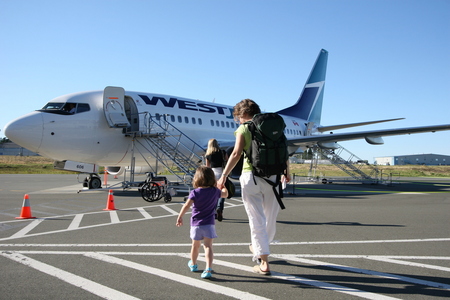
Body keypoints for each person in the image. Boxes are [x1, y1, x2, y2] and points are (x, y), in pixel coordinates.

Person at [217, 99, 290, 276]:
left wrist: (224, 176)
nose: (238, 121)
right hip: (273, 178)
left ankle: (263, 261)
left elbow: (236, 153)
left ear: (242, 114)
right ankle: (260, 247)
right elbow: (284, 150)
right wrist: (287, 171)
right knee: (270, 218)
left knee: (256, 219)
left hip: (251, 177)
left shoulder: (244, 128)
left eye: (237, 117)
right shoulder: (275, 127)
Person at [176, 166, 228, 279]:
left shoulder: (195, 192)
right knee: (208, 246)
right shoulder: (215, 191)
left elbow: (186, 206)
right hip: (209, 224)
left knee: (195, 246)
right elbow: (225, 195)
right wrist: (223, 187)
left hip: (196, 224)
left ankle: (193, 264)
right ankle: (208, 268)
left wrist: (180, 216)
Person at [205, 138, 228, 221]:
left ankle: (213, 212)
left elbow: (208, 167)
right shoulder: (222, 152)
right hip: (222, 173)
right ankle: (219, 207)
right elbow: (228, 161)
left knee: (213, 194)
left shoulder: (208, 155)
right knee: (222, 191)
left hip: (213, 175)